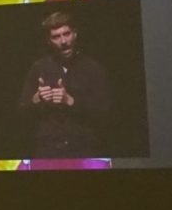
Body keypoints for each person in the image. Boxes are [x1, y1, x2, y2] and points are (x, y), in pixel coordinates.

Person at [23, 10, 111, 158]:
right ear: (48, 41)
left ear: (75, 34)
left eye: (67, 34)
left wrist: (70, 101)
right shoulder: (39, 68)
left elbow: (105, 111)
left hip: (85, 149)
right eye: (56, 37)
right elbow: (21, 109)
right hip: (47, 150)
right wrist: (36, 99)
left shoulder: (93, 68)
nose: (63, 42)